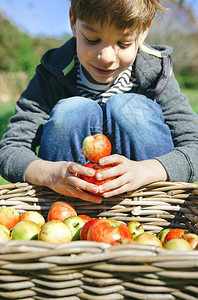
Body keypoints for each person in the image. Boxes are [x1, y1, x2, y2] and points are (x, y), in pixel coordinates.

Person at [0, 0, 198, 205]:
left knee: (128, 109)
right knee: (74, 110)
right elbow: (10, 150)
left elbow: (194, 145)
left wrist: (147, 170)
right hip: (67, 212)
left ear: (143, 32)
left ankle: (149, 203)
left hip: (146, 210)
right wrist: (48, 173)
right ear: (73, 22)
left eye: (123, 43)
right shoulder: (52, 74)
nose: (106, 57)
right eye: (92, 39)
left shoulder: (156, 73)